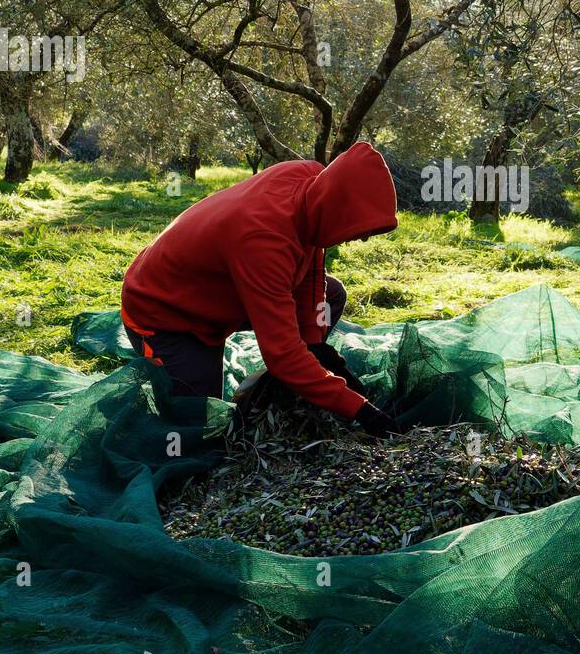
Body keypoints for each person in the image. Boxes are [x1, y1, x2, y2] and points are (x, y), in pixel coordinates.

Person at [120, 141, 406, 437]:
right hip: (164, 312)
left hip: (223, 290)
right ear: (339, 208)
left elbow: (311, 266)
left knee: (330, 295)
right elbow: (281, 355)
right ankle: (287, 377)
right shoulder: (262, 241)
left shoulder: (310, 180)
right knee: (199, 425)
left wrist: (313, 342)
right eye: (363, 229)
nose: (363, 240)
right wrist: (361, 410)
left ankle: (300, 372)